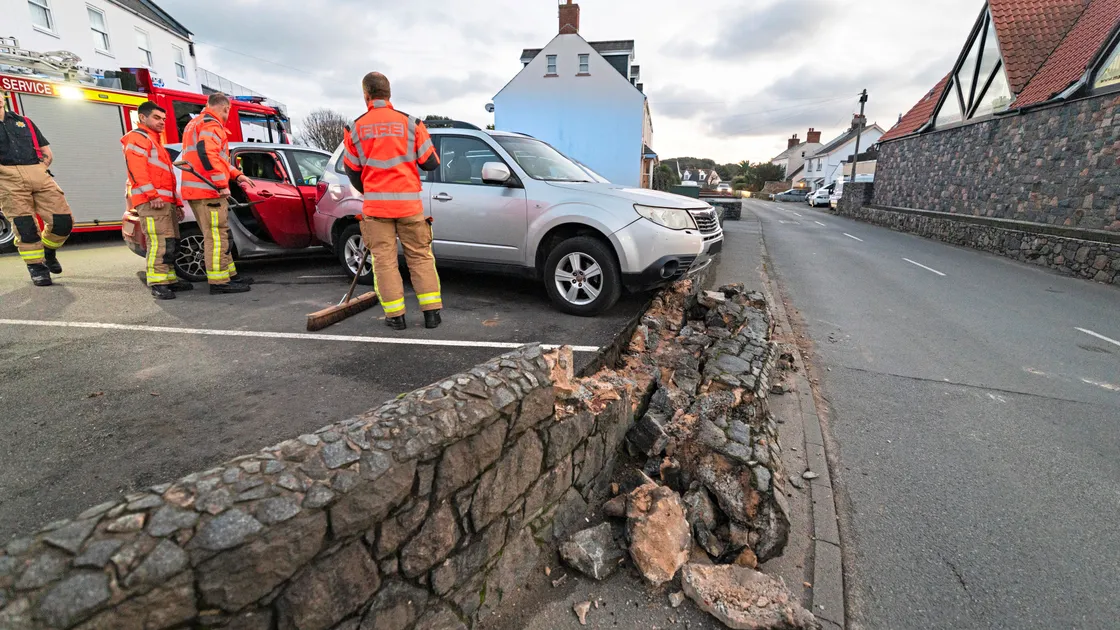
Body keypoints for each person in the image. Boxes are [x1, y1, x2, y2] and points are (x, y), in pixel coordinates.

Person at [343, 72, 442, 330]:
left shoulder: (354, 128)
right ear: (389, 94)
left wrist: (371, 190)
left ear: (366, 95)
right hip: (410, 207)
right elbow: (431, 163)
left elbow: (352, 170)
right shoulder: (411, 124)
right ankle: (432, 314)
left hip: (377, 209)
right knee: (420, 257)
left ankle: (396, 318)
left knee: (384, 263)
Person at [179, 93, 255, 294]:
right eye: (228, 112)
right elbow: (209, 155)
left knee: (220, 234)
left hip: (199, 190)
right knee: (216, 237)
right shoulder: (211, 125)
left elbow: (218, 159)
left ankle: (230, 275)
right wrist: (221, 184)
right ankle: (219, 282)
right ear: (225, 108)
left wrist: (237, 175)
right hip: (208, 191)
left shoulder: (195, 124)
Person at [0, 89, 73, 287]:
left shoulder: (25, 122)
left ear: (3, 97)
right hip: (7, 179)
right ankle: (37, 267)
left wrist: (40, 167)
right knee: (25, 227)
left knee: (63, 221)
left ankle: (48, 251)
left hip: (38, 173)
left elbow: (45, 150)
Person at [123, 101, 194, 300]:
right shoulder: (138, 138)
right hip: (153, 201)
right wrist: (152, 195)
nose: (162, 122)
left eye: (164, 119)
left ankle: (169, 279)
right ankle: (158, 283)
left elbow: (168, 178)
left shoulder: (155, 141)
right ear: (142, 118)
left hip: (165, 202)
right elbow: (137, 170)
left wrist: (177, 203)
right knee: (159, 243)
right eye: (157, 118)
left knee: (170, 242)